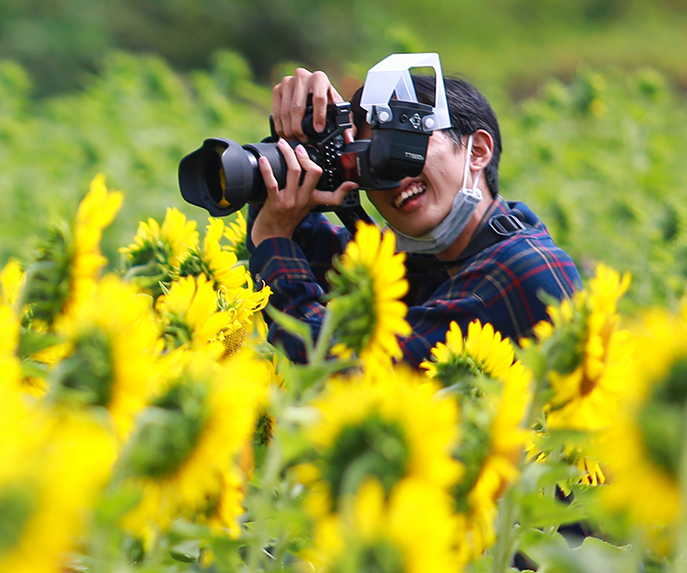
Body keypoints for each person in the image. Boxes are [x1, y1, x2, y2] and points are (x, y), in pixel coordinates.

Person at [246, 67, 580, 365]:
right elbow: (313, 255)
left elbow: (347, 371)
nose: (394, 177)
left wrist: (273, 241)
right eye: (372, 159)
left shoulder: (521, 269)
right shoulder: (438, 258)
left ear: (477, 151)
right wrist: (296, 147)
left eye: (404, 149)